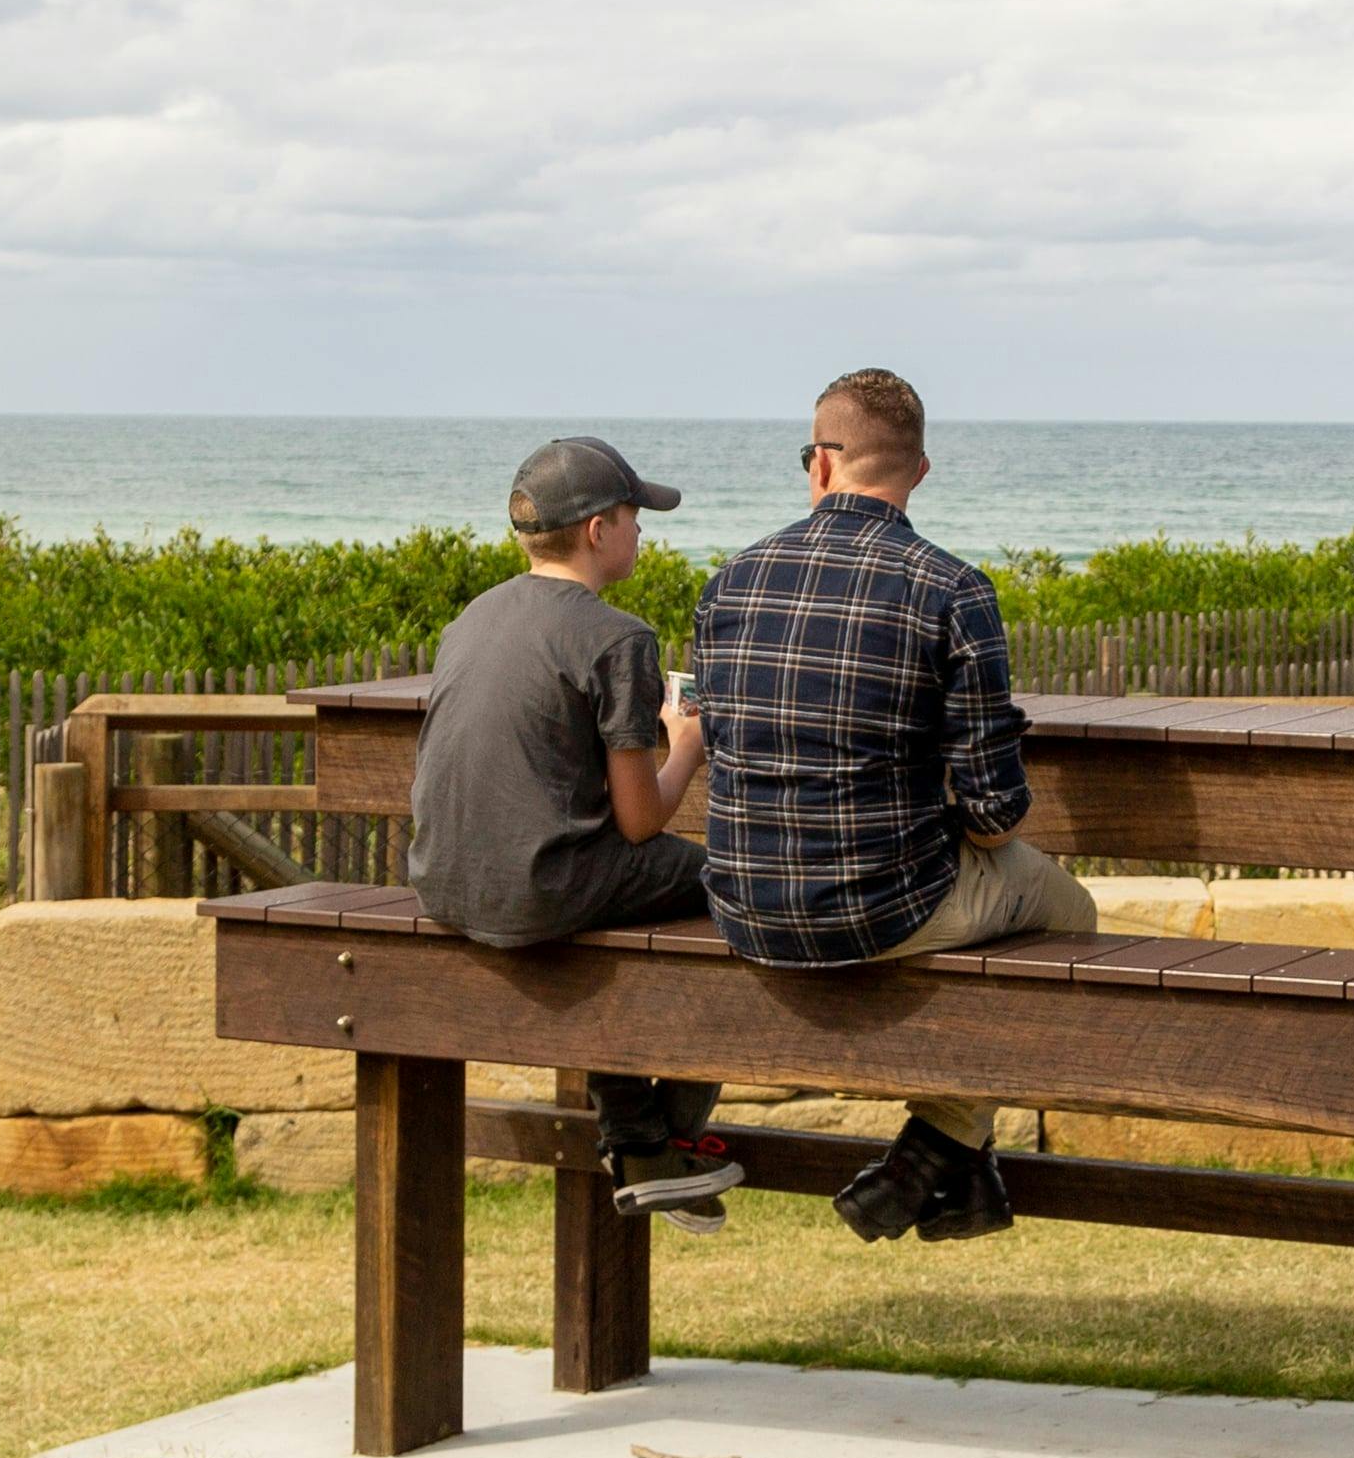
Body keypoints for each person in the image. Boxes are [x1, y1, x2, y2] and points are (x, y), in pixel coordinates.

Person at [688, 367, 1082, 1243]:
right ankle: (940, 1144)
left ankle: (962, 1179)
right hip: (879, 910)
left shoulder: (731, 581)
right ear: (920, 471)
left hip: (744, 908)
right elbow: (994, 817)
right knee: (1072, 914)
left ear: (821, 464)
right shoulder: (952, 589)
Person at [406, 438, 729, 1206]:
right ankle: (666, 1130)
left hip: (445, 883)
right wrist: (684, 746)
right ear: (596, 531)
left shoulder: (473, 619)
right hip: (541, 887)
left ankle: (635, 1129)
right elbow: (643, 820)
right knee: (740, 889)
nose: (642, 533)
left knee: (619, 912)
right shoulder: (618, 638)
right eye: (634, 517)